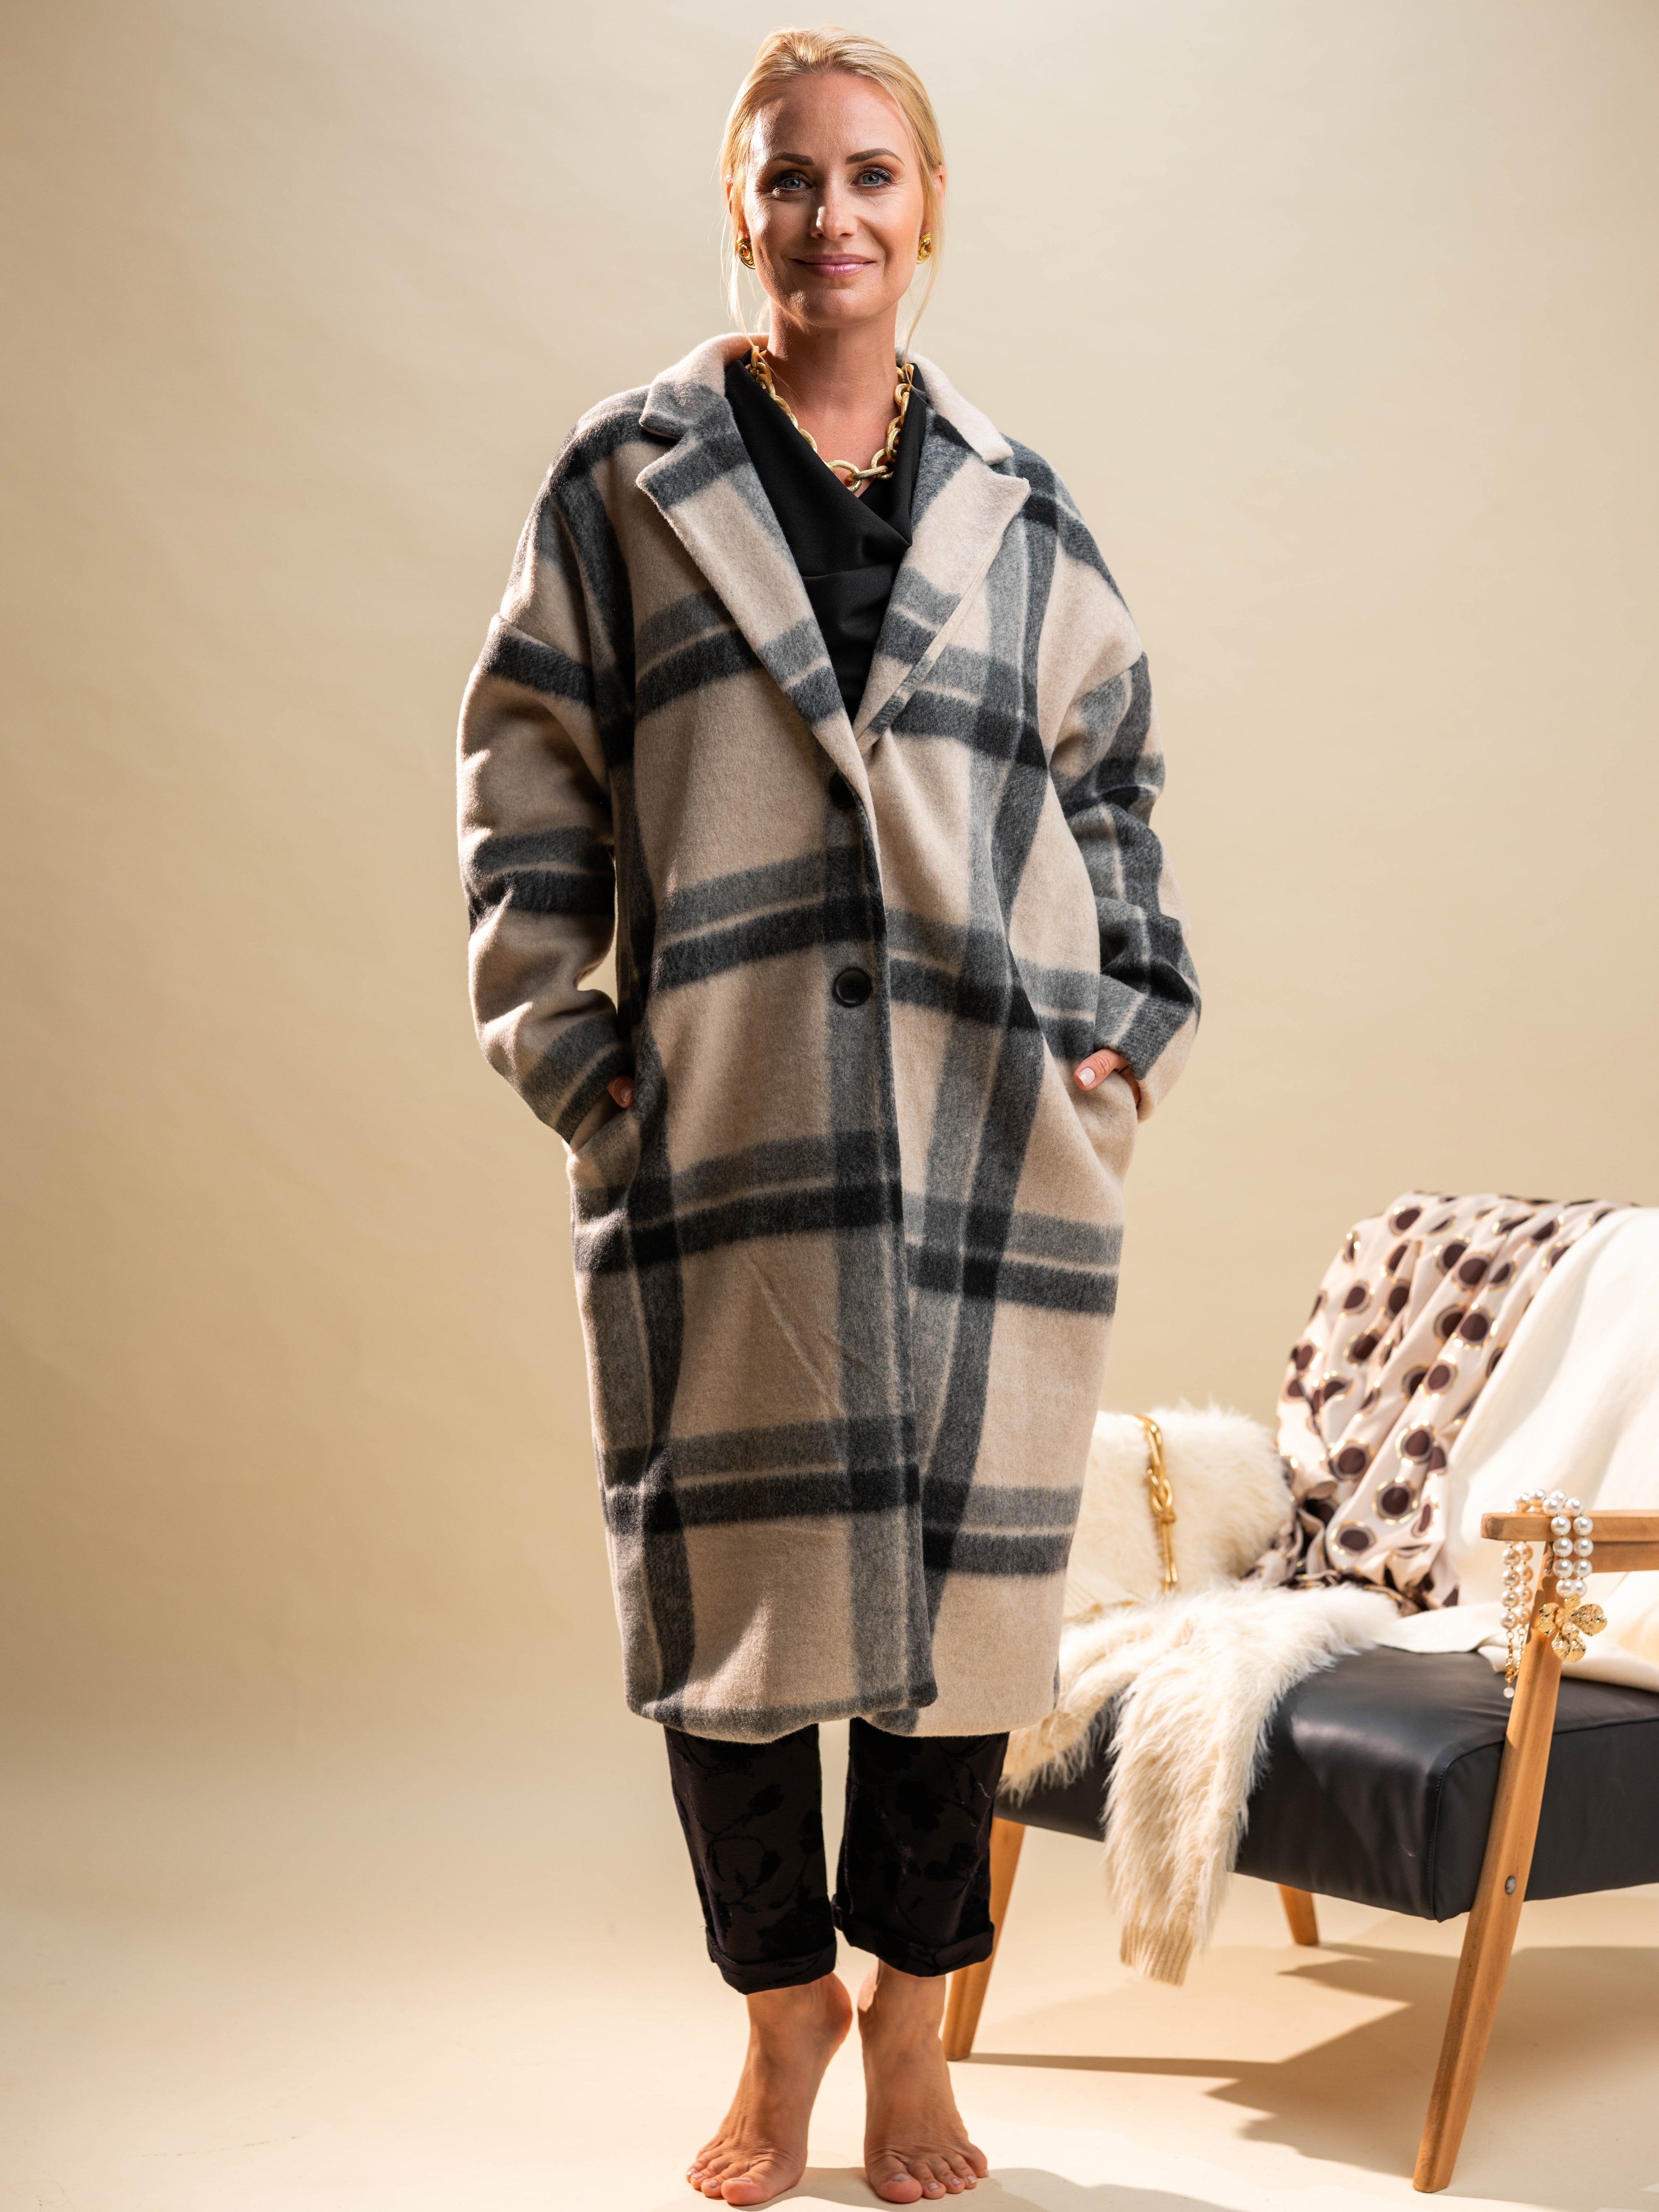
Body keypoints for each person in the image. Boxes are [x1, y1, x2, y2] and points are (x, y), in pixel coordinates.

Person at [457, 26, 1199, 2205]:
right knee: (734, 1606)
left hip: (986, 1138)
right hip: (733, 1126)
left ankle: (910, 2022)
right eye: (791, 178)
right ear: (741, 209)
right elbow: (523, 775)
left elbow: (1114, 774)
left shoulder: (1018, 504)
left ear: (927, 208)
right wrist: (579, 1059)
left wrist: (1120, 1037)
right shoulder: (628, 480)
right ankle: (782, 2007)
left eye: (872, 175)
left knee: (967, 1616)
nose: (832, 215)